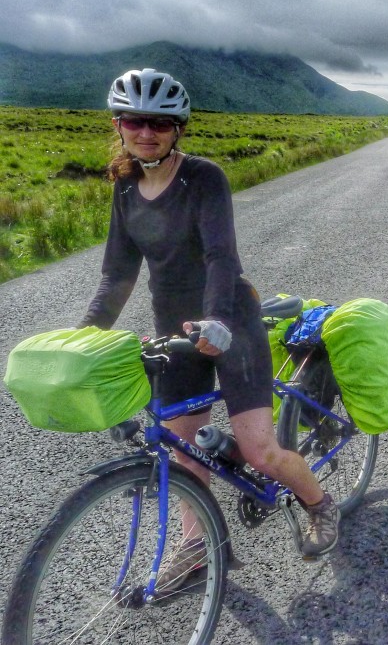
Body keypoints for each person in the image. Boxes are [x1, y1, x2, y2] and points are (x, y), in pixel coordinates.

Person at [81, 67, 338, 589]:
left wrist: (217, 321)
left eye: (159, 122)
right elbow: (117, 273)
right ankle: (197, 549)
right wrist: (82, 337)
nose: (146, 131)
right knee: (181, 449)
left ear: (178, 128)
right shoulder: (127, 188)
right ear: (119, 124)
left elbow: (222, 257)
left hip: (230, 322)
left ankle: (320, 504)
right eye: (135, 120)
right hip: (173, 326)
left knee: (261, 451)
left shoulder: (204, 178)